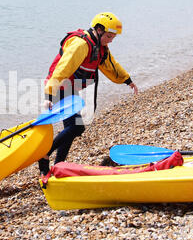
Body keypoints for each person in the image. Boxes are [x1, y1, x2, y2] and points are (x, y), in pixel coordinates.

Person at [39, 12, 138, 175]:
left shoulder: (100, 47)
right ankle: (44, 156)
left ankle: (57, 166)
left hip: (70, 90)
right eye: (109, 36)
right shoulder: (80, 45)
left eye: (113, 37)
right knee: (76, 128)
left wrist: (127, 80)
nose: (111, 40)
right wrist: (49, 96)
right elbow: (62, 70)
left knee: (71, 130)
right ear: (98, 30)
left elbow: (111, 65)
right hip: (58, 88)